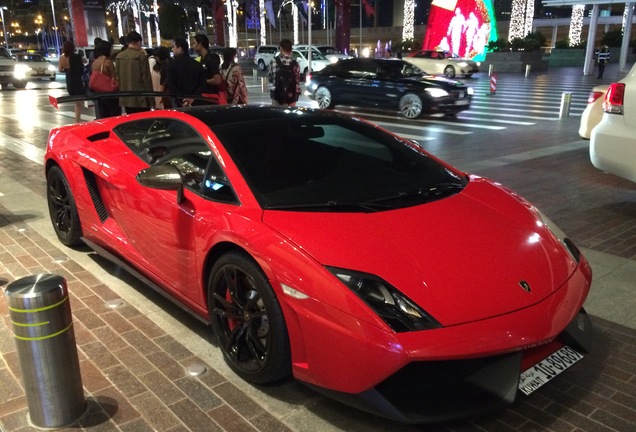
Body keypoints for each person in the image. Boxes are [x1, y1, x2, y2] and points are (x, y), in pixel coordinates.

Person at [115, 31, 153, 114]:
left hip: (125, 97)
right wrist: (151, 99)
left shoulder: (119, 57)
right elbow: (146, 79)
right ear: (138, 42)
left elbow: (117, 77)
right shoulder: (141, 56)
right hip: (140, 98)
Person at [166, 37, 206, 107]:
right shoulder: (197, 64)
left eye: (173, 47)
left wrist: (182, 99)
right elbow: (202, 84)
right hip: (196, 102)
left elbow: (171, 85)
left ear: (180, 49)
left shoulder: (171, 65)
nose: (172, 49)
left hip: (178, 102)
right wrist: (193, 98)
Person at [58, 40, 86, 123]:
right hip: (77, 79)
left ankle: (77, 120)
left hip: (69, 79)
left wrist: (67, 70)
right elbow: (81, 68)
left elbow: (60, 69)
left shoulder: (62, 58)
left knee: (76, 101)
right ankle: (77, 120)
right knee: (78, 102)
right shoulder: (76, 56)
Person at [90, 41, 120, 119]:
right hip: (110, 95)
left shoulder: (94, 62)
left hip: (99, 93)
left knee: (104, 115)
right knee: (114, 115)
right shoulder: (107, 62)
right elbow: (114, 77)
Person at [268, 38, 301, 107]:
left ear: (281, 49)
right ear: (291, 50)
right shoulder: (295, 64)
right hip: (291, 96)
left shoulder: (274, 61)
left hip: (277, 95)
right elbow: (297, 80)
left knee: (277, 116)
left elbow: (271, 78)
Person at [193, 34, 223, 102]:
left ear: (200, 44)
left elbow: (218, 80)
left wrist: (203, 82)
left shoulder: (210, 59)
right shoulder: (199, 59)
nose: (193, 46)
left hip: (210, 97)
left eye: (194, 43)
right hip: (202, 96)